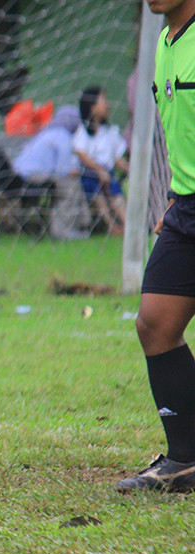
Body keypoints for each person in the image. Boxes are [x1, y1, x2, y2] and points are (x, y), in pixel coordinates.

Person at [116, 0, 195, 492]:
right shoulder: (165, 46)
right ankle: (185, 458)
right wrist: (174, 196)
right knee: (154, 324)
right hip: (185, 210)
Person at [11, 105, 91, 240]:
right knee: (71, 186)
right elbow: (63, 171)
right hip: (34, 177)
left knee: (69, 183)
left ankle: (82, 222)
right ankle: (63, 230)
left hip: (17, 176)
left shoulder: (46, 132)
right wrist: (75, 171)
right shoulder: (63, 136)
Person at [73, 86, 130, 235]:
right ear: (92, 107)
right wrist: (99, 169)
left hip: (108, 173)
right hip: (91, 172)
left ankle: (127, 224)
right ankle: (111, 225)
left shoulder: (109, 132)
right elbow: (81, 154)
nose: (107, 104)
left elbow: (117, 159)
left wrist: (132, 170)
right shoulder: (83, 132)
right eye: (103, 101)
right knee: (98, 179)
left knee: (113, 186)